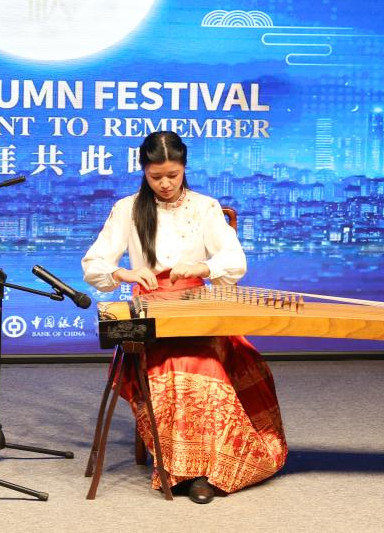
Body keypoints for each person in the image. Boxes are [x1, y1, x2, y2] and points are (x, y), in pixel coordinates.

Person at [82, 131, 287, 503]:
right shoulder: (127, 209)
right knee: (174, 368)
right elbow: (94, 264)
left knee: (204, 363)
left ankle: (207, 469)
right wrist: (125, 274)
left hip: (197, 310)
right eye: (155, 176)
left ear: (184, 169)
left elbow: (234, 261)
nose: (164, 184)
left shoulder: (205, 207)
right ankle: (182, 467)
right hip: (151, 314)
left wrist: (203, 267)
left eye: (172, 175)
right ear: (143, 171)